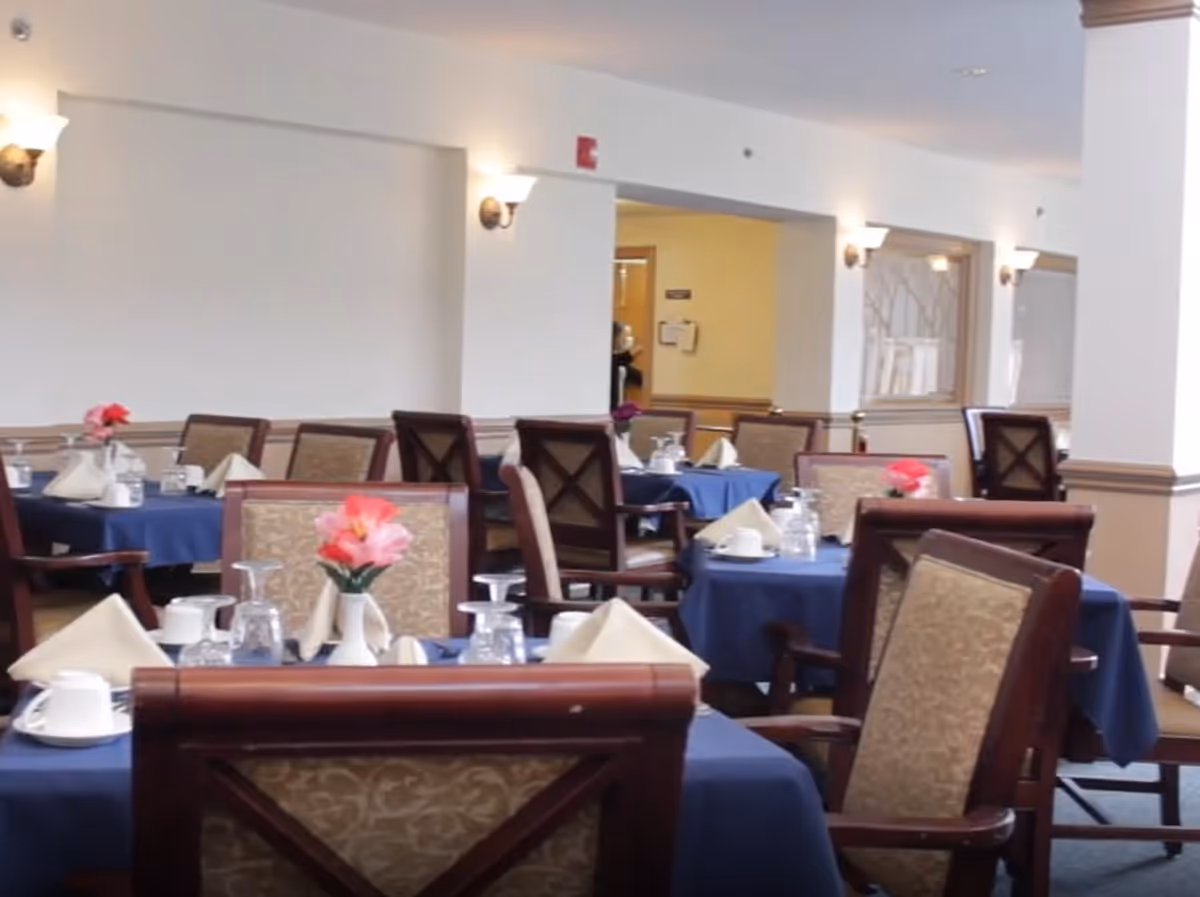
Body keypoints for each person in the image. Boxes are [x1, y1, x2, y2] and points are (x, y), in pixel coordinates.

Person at [610, 321, 644, 409]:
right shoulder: (611, 360)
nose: (625, 340)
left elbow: (641, 378)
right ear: (613, 337)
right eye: (622, 336)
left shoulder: (620, 362)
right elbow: (620, 358)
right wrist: (634, 352)